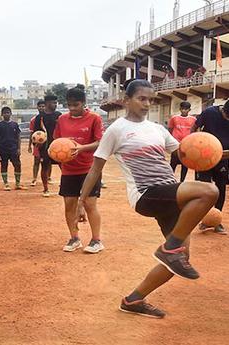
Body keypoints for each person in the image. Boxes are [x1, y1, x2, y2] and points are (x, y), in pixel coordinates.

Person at [79, 79, 221, 318]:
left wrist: (217, 151)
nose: (146, 104)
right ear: (127, 100)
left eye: (150, 99)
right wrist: (82, 202)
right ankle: (170, 247)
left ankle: (133, 300)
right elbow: (95, 168)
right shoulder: (116, 130)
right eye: (141, 98)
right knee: (209, 192)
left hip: (169, 193)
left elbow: (187, 153)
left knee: (180, 260)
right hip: (146, 194)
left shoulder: (157, 129)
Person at [54, 86, 104, 253]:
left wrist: (81, 148)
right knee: (69, 205)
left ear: (83, 103)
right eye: (69, 105)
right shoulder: (62, 119)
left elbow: (100, 142)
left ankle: (96, 240)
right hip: (69, 170)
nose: (72, 109)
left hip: (89, 168)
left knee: (90, 204)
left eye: (76, 105)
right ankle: (74, 238)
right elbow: (57, 142)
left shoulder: (94, 119)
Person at [191, 100, 229, 234]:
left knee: (221, 188)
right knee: (205, 190)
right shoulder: (209, 112)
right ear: (223, 110)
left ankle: (216, 222)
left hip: (223, 158)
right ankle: (205, 220)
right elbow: (194, 128)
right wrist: (194, 146)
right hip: (204, 158)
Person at [31, 95, 61, 197]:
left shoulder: (59, 115)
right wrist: (36, 144)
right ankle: (45, 189)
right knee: (44, 166)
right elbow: (35, 133)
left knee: (63, 166)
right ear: (47, 103)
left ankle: (64, 184)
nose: (55, 105)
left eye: (56, 103)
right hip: (45, 147)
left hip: (58, 146)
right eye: (53, 103)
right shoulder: (40, 117)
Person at [0, 106, 23, 190]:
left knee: (17, 165)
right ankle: (6, 184)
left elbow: (18, 137)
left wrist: (18, 148)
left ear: (11, 114)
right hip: (2, 149)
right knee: (4, 165)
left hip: (13, 148)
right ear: (2, 114)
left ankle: (17, 183)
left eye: (8, 112)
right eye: (5, 113)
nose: (6, 114)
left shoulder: (15, 124)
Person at [167, 101, 195, 182]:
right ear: (180, 109)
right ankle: (170, 180)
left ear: (189, 110)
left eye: (186, 109)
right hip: (176, 145)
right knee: (173, 163)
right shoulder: (174, 118)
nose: (184, 111)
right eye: (182, 109)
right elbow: (170, 130)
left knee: (185, 164)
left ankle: (182, 181)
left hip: (187, 145)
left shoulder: (193, 119)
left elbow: (194, 131)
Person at [28, 101, 52, 186]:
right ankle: (34, 178)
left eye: (43, 106)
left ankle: (48, 177)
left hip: (48, 143)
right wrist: (30, 146)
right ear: (37, 107)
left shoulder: (50, 118)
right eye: (40, 106)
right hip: (38, 144)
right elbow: (32, 134)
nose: (41, 108)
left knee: (48, 161)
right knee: (36, 161)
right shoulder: (34, 120)